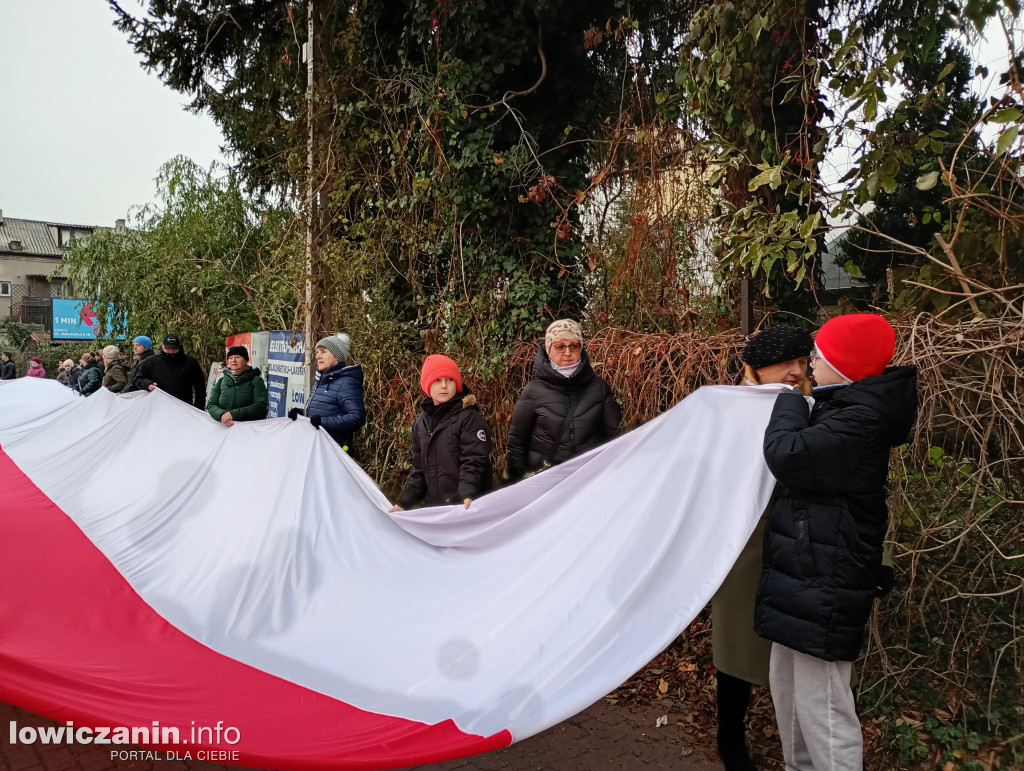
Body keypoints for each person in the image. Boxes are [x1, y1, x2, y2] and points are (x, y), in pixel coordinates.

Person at [755, 314, 917, 771]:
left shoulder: (861, 419)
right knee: (788, 692)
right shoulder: (841, 407)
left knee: (824, 708)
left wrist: (789, 401)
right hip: (805, 574)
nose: (808, 367)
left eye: (817, 358)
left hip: (825, 581)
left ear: (844, 367)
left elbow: (788, 455)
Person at [712, 325, 812, 771]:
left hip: (802, 549)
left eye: (801, 361)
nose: (796, 371)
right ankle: (729, 740)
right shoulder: (726, 413)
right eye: (784, 363)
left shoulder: (816, 406)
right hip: (743, 550)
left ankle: (807, 748)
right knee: (737, 651)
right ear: (755, 368)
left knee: (804, 654)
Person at [506, 319, 621, 481]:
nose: (567, 352)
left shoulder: (599, 387)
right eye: (560, 346)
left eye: (574, 346)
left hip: (589, 479)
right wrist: (518, 483)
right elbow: (517, 443)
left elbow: (614, 437)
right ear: (549, 349)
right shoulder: (533, 391)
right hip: (547, 482)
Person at [389, 354, 493, 512]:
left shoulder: (469, 418)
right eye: (437, 380)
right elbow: (419, 471)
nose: (444, 385)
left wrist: (467, 494)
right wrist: (404, 503)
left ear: (457, 384)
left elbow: (473, 461)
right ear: (427, 385)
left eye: (449, 379)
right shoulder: (420, 424)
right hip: (439, 509)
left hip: (469, 507)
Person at [288, 333, 365, 451]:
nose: (318, 356)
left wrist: (323, 422)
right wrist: (301, 414)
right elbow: (322, 412)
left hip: (333, 453)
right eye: (317, 352)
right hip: (316, 448)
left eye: (323, 352)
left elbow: (357, 417)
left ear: (337, 357)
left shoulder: (346, 383)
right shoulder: (321, 380)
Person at [132, 334, 207, 408]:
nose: (170, 351)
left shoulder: (190, 362)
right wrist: (147, 384)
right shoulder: (150, 362)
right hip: (158, 407)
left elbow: (200, 387)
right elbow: (137, 379)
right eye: (168, 348)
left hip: (183, 407)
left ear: (179, 346)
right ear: (162, 345)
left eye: (174, 349)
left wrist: (198, 407)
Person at [207, 345, 269, 426]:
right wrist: (222, 415)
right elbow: (211, 404)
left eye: (237, 357)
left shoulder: (256, 380)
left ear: (246, 360)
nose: (233, 360)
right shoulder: (222, 381)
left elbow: (261, 405)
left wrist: (233, 414)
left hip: (250, 430)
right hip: (224, 428)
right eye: (230, 358)